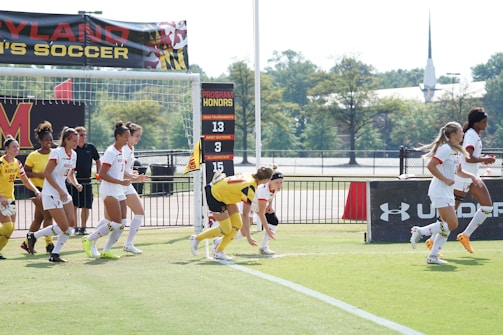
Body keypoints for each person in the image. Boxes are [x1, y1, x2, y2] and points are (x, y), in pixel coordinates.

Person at [409, 121, 483, 264]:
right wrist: (445, 179)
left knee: (447, 224)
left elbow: (459, 171)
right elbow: (431, 166)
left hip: (447, 192)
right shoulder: (445, 148)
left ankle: (433, 256)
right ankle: (420, 231)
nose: (463, 134)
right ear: (453, 134)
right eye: (461, 131)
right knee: (452, 224)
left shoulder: (454, 150)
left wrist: (473, 176)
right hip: (439, 191)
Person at [424, 107, 495, 254]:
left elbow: (465, 160)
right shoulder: (469, 136)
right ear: (476, 122)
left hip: (468, 175)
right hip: (459, 180)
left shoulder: (469, 138)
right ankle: (429, 239)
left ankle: (464, 236)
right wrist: (484, 159)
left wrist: (479, 165)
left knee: (486, 207)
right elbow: (468, 156)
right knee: (449, 219)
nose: (486, 125)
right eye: (483, 122)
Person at [190, 166, 274, 261]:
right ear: (266, 180)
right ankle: (197, 238)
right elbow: (245, 215)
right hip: (215, 196)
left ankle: (218, 251)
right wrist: (249, 237)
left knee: (237, 224)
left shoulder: (249, 175)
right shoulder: (250, 187)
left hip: (225, 194)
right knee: (226, 229)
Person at [26, 127, 82, 262]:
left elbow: (70, 174)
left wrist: (75, 183)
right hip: (51, 193)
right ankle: (34, 236)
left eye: (77, 140)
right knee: (64, 226)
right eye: (74, 140)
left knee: (71, 225)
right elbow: (47, 173)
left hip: (63, 192)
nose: (76, 143)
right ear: (66, 140)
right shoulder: (57, 152)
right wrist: (60, 190)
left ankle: (54, 253)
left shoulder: (73, 154)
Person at [82, 121, 131, 259]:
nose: (127, 140)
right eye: (126, 137)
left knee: (121, 224)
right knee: (115, 223)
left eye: (128, 137)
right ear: (118, 136)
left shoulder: (121, 152)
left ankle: (106, 250)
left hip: (119, 190)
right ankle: (89, 239)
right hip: (109, 190)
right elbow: (102, 174)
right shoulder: (111, 152)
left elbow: (120, 172)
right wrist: (120, 181)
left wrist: (134, 177)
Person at [213, 166, 284, 255]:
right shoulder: (263, 191)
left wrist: (270, 205)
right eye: (277, 182)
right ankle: (218, 241)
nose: (279, 185)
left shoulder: (275, 188)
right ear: (269, 181)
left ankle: (263, 247)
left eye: (281, 182)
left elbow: (271, 196)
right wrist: (268, 231)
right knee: (244, 232)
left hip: (257, 204)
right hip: (248, 204)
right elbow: (261, 214)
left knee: (273, 221)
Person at [0, 136, 42, 259]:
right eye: (13, 147)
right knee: (7, 227)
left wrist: (35, 190)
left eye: (17, 146)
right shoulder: (1, 162)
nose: (16, 149)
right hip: (1, 200)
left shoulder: (17, 163)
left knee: (10, 229)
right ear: (6, 148)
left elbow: (25, 180)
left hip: (10, 199)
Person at [21, 121, 55, 254]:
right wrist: (38, 175)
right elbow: (25, 172)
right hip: (36, 189)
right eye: (46, 140)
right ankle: (49, 244)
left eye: (51, 140)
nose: (49, 142)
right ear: (40, 141)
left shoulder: (55, 153)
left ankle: (26, 242)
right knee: (48, 215)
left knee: (39, 218)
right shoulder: (33, 156)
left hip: (49, 189)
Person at [66, 126, 101, 236]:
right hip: (73, 181)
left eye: (84, 135)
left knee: (86, 205)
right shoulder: (73, 149)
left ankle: (83, 227)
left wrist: (98, 174)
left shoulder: (90, 147)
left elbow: (98, 160)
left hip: (87, 181)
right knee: (74, 205)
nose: (83, 137)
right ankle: (75, 227)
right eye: (81, 135)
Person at [121, 122, 149, 254]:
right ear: (129, 136)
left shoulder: (130, 149)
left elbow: (126, 170)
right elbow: (119, 171)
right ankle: (91, 239)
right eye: (137, 136)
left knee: (139, 212)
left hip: (127, 185)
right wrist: (134, 178)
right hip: (118, 185)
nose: (138, 138)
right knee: (113, 220)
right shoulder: (124, 150)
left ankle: (128, 244)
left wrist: (133, 175)